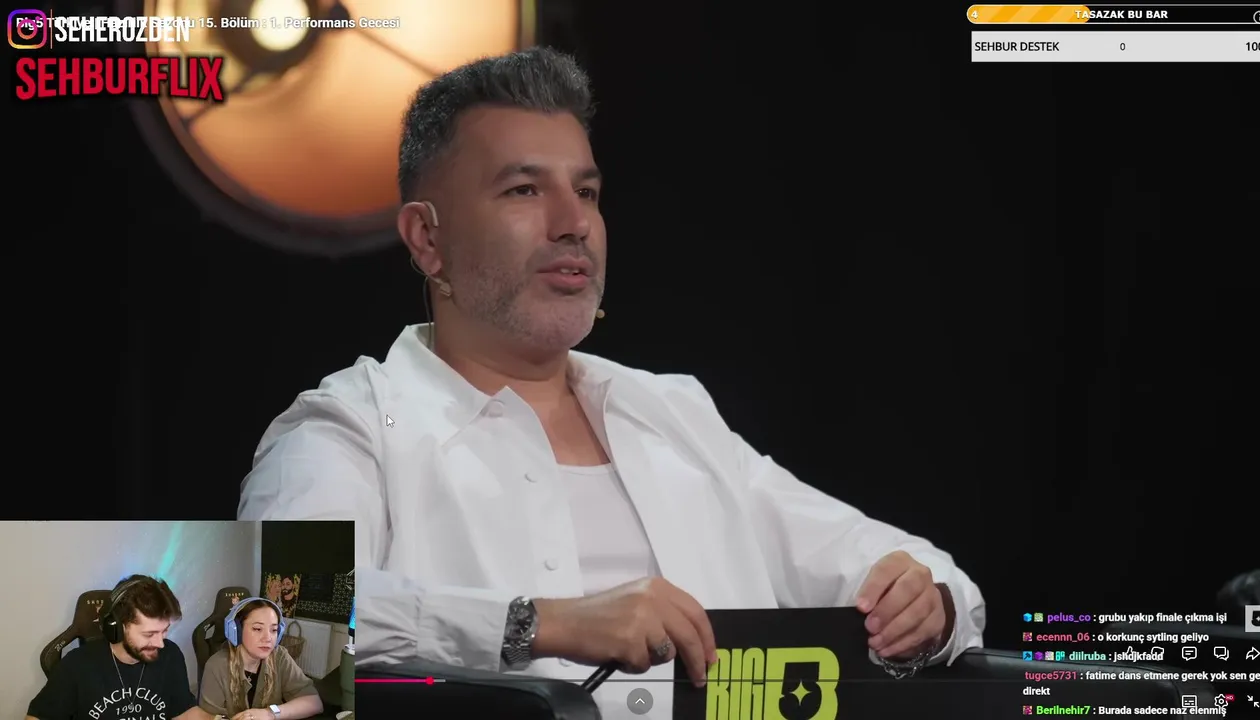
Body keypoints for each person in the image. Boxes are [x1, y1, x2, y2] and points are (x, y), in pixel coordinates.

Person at [238, 47, 986, 718]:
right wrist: (542, 623)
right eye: (524, 191)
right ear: (427, 238)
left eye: (588, 193)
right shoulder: (348, 429)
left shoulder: (673, 413)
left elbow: (911, 570)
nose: (574, 223)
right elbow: (287, 617)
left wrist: (925, 603)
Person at [26, 575, 212, 720]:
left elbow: (184, 712)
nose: (160, 643)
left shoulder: (170, 655)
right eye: (149, 634)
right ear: (116, 627)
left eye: (164, 631)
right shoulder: (77, 665)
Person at [198, 597, 322, 719]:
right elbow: (206, 716)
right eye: (257, 629)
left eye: (274, 630)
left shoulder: (279, 656)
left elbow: (314, 702)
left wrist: (270, 713)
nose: (268, 638)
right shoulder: (217, 666)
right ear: (236, 631)